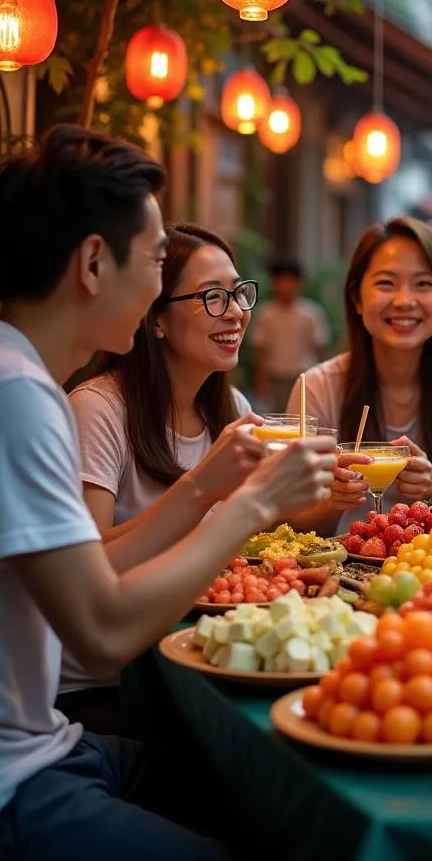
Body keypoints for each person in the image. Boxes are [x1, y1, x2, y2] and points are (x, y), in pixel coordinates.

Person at [0, 125, 336, 860]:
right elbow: (102, 629)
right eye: (159, 260)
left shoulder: (1, 372)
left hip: (45, 743)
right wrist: (252, 506)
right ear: (95, 263)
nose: (164, 284)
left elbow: (94, 572)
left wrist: (205, 490)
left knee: (257, 787)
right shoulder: (12, 395)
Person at [60, 223, 264, 730]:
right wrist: (199, 494)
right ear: (155, 320)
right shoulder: (98, 409)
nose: (236, 311)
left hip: (195, 648)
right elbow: (92, 568)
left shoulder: (231, 408)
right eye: (213, 297)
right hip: (107, 686)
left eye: (239, 293)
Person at [287, 217, 432, 535]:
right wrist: (334, 500)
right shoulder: (316, 387)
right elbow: (292, 520)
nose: (404, 301)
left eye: (424, 284)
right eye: (386, 283)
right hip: (342, 572)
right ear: (358, 298)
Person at [251, 258, 330, 412]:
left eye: (290, 281)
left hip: (304, 375)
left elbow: (320, 348)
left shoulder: (311, 313)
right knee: (277, 418)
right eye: (280, 280)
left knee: (304, 416)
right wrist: (261, 383)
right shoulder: (265, 314)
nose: (285, 286)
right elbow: (261, 351)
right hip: (276, 379)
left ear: (299, 283)